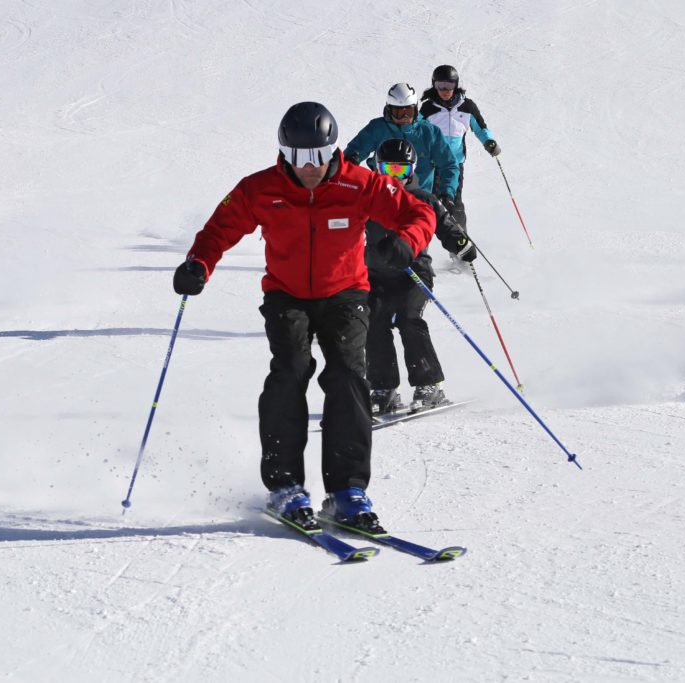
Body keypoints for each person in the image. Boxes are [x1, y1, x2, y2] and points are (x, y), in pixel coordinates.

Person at [172, 102, 436, 533]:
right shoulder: (260, 188)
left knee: (349, 377)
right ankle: (285, 486)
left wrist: (407, 243)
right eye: (298, 158)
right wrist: (198, 263)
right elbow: (220, 227)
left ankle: (347, 490)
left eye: (318, 156)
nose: (309, 167)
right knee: (291, 370)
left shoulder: (360, 182)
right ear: (284, 153)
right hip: (286, 295)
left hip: (346, 292)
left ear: (333, 150)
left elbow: (418, 213)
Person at [365, 139, 477, 415]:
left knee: (408, 319)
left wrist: (461, 244)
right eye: (388, 170)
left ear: (412, 170)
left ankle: (430, 385)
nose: (395, 178)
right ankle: (383, 389)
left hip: (414, 273)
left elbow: (444, 224)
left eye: (401, 171)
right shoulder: (367, 199)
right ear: (378, 169)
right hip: (377, 275)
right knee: (373, 322)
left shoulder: (423, 198)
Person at [343, 83, 461, 214]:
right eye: (398, 113)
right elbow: (355, 149)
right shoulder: (378, 128)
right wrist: (352, 158)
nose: (404, 118)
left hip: (417, 201)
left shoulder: (428, 132)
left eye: (408, 112)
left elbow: (449, 164)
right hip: (383, 198)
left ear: (415, 110)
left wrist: (447, 194)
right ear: (389, 110)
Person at [419, 64, 501, 229]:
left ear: (455, 85)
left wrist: (489, 142)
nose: (445, 90)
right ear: (434, 85)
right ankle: (420, 247)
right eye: (440, 85)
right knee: (429, 204)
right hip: (432, 165)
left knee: (454, 204)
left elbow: (481, 128)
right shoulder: (428, 108)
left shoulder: (467, 107)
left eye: (449, 85)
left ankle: (460, 247)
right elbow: (414, 130)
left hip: (454, 165)